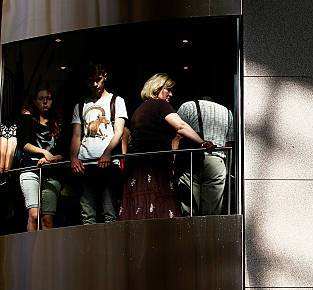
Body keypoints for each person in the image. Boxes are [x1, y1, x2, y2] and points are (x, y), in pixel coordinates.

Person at [119, 73, 213, 220]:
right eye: (167, 89)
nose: (171, 94)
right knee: (159, 212)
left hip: (138, 169)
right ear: (157, 88)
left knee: (141, 210)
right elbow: (180, 126)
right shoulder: (160, 105)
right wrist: (201, 142)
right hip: (155, 167)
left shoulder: (139, 110)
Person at [70, 64, 127, 224]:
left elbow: (119, 132)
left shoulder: (116, 101)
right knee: (87, 215)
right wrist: (73, 157)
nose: (95, 84)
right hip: (85, 164)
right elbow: (76, 135)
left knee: (109, 212)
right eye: (91, 81)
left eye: (98, 79)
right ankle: (91, 248)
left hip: (108, 164)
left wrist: (107, 153)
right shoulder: (81, 105)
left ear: (105, 77)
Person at [176, 97, 234, 216]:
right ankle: (209, 233)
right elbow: (229, 144)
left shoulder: (188, 106)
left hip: (191, 159)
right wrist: (228, 170)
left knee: (189, 206)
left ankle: (189, 232)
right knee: (212, 211)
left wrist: (173, 161)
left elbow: (177, 134)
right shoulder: (228, 113)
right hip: (217, 161)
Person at [18, 88, 65, 231]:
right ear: (35, 101)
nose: (45, 101)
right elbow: (23, 144)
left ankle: (47, 252)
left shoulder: (58, 123)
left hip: (51, 174)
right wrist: (44, 152)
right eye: (41, 98)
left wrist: (53, 158)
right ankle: (31, 252)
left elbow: (64, 151)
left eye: (49, 98)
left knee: (48, 220)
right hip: (30, 170)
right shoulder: (28, 120)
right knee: (33, 215)